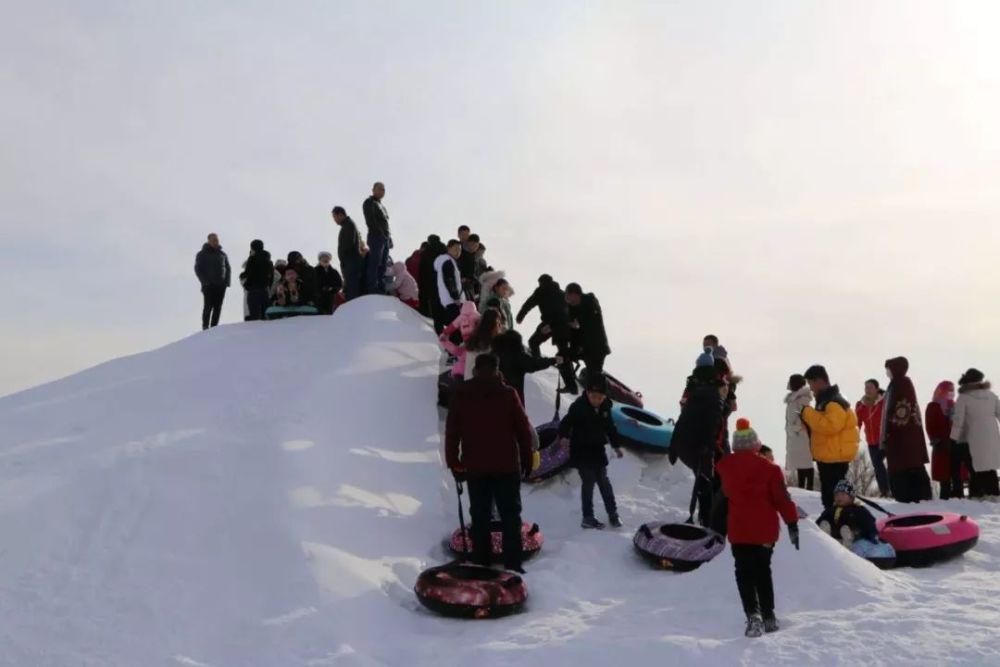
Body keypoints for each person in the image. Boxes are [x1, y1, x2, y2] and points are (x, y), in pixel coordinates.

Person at [445, 353, 534, 573]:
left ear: (475, 370)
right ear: (497, 370)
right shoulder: (508, 394)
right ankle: (512, 563)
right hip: (506, 466)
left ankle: (481, 560)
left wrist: (453, 462)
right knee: (510, 515)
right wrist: (527, 459)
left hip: (476, 466)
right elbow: (523, 430)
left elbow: (452, 431)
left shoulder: (462, 393)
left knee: (480, 514)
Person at [716, 419, 799, 638]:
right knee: (763, 571)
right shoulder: (770, 470)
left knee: (744, 573)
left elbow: (722, 494)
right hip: (764, 532)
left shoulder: (724, 467)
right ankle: (769, 617)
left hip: (739, 530)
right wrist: (792, 523)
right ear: (755, 444)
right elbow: (781, 498)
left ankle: (753, 615)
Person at [558, 374, 623, 529]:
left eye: (600, 397)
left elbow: (610, 428)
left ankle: (613, 513)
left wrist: (616, 445)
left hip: (597, 450)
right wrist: (564, 437)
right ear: (587, 393)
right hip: (581, 450)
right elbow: (565, 424)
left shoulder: (605, 407)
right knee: (588, 482)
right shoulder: (578, 407)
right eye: (593, 396)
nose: (597, 400)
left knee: (604, 482)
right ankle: (587, 517)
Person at [670, 351, 726, 527]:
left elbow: (683, 418)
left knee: (705, 482)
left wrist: (673, 444)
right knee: (706, 482)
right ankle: (707, 521)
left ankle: (707, 519)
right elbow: (714, 421)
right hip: (702, 445)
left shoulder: (693, 387)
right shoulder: (713, 391)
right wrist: (709, 446)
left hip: (686, 442)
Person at [800, 365, 860, 509]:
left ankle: (837, 523)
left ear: (819, 381)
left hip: (833, 458)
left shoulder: (833, 402)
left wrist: (807, 413)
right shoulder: (828, 400)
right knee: (831, 495)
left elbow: (830, 426)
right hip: (830, 455)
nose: (811, 388)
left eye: (811, 384)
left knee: (834, 497)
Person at [515, 274, 577, 394]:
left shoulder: (542, 292)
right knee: (561, 353)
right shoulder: (560, 293)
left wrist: (520, 316)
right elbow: (569, 311)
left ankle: (537, 363)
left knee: (534, 342)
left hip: (554, 325)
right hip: (560, 325)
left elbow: (528, 304)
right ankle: (571, 385)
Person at [881, 357, 931, 503]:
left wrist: (892, 427)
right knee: (906, 465)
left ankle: (910, 495)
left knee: (906, 466)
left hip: (903, 437)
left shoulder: (901, 384)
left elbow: (903, 410)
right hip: (901, 437)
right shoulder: (895, 384)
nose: (887, 373)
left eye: (888, 369)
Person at [951, 368, 1000, 497]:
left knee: (975, 468)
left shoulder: (964, 398)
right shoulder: (991, 396)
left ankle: (977, 495)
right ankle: (994, 493)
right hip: (992, 437)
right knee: (990, 466)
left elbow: (958, 421)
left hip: (972, 438)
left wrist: (953, 438)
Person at [491, 329, 559, 406]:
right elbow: (535, 364)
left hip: (493, 394)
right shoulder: (517, 355)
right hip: (513, 395)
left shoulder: (493, 353)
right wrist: (553, 360)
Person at [565, 283, 611, 378]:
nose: (568, 300)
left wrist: (578, 324)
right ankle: (571, 384)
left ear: (575, 294)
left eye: (569, 296)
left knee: (594, 376)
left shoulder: (590, 301)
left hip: (597, 348)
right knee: (563, 357)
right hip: (583, 347)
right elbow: (572, 327)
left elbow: (594, 321)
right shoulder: (572, 308)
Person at [816, 480, 878, 547]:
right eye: (836, 494)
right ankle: (824, 544)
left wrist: (873, 535)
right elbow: (820, 520)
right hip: (834, 536)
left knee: (845, 530)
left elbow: (869, 522)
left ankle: (847, 548)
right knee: (824, 524)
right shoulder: (831, 509)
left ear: (851, 497)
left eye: (843, 494)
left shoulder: (857, 509)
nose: (839, 497)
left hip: (854, 534)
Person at [856, 379, 890, 497]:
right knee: (877, 465)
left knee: (879, 462)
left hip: (885, 439)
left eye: (870, 387)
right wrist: (855, 436)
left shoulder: (884, 402)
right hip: (871, 441)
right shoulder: (861, 405)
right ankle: (884, 491)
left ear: (877, 389)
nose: (867, 390)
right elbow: (857, 422)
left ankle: (888, 489)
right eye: (866, 388)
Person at [927, 381, 960, 499]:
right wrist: (935, 439)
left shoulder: (955, 406)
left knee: (957, 474)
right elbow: (930, 425)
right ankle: (945, 500)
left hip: (956, 444)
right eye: (948, 390)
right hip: (941, 445)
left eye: (953, 390)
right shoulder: (933, 406)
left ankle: (958, 498)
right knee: (944, 477)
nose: (951, 393)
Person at [194, 233, 231, 330]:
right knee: (208, 306)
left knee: (217, 307)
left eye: (217, 240)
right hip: (208, 285)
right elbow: (198, 269)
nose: (216, 241)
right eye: (213, 240)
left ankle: (214, 327)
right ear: (209, 241)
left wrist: (226, 283)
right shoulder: (202, 254)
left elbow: (228, 268)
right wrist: (204, 281)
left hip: (220, 286)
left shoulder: (222, 254)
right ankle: (205, 327)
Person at [784, 374, 814, 490]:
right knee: (801, 463)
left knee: (805, 462)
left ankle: (808, 488)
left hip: (801, 434)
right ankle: (802, 487)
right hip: (796, 435)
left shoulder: (801, 399)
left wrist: (796, 428)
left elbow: (805, 416)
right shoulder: (794, 398)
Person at [361, 182, 392, 295]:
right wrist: (381, 234)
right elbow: (371, 221)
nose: (381, 192)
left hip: (384, 238)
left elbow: (385, 223)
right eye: (379, 189)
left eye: (383, 190)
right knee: (375, 263)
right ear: (373, 190)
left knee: (383, 264)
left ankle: (381, 286)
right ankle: (372, 287)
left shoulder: (381, 206)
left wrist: (389, 238)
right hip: (376, 237)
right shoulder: (369, 203)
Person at [461, 308, 503, 381]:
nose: (500, 327)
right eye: (498, 324)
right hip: (477, 384)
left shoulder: (477, 338)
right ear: (490, 325)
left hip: (471, 382)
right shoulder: (484, 346)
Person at [433, 240, 466, 333]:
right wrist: (455, 296)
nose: (458, 252)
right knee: (455, 326)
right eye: (455, 249)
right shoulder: (447, 261)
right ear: (448, 248)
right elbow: (449, 280)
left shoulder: (447, 261)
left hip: (448, 299)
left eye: (459, 250)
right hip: (452, 300)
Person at [333, 206, 365, 301]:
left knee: (352, 288)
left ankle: (353, 307)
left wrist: (344, 258)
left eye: (335, 217)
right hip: (350, 261)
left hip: (351, 261)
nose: (334, 220)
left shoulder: (348, 225)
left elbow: (348, 245)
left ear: (340, 215)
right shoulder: (347, 225)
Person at [243, 239, 273, 322]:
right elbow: (271, 275)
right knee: (265, 316)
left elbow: (248, 273)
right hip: (264, 290)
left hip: (253, 290)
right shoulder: (268, 259)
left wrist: (246, 284)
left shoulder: (252, 259)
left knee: (254, 317)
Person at [418, 235, 446, 317]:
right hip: (441, 280)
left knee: (426, 300)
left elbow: (422, 269)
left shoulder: (426, 252)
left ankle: (425, 315)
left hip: (427, 281)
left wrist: (420, 283)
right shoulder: (444, 250)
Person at [458, 234, 486, 301]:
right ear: (469, 243)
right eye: (473, 245)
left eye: (476, 246)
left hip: (470, 285)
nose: (475, 248)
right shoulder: (462, 255)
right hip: (464, 285)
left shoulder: (473, 256)